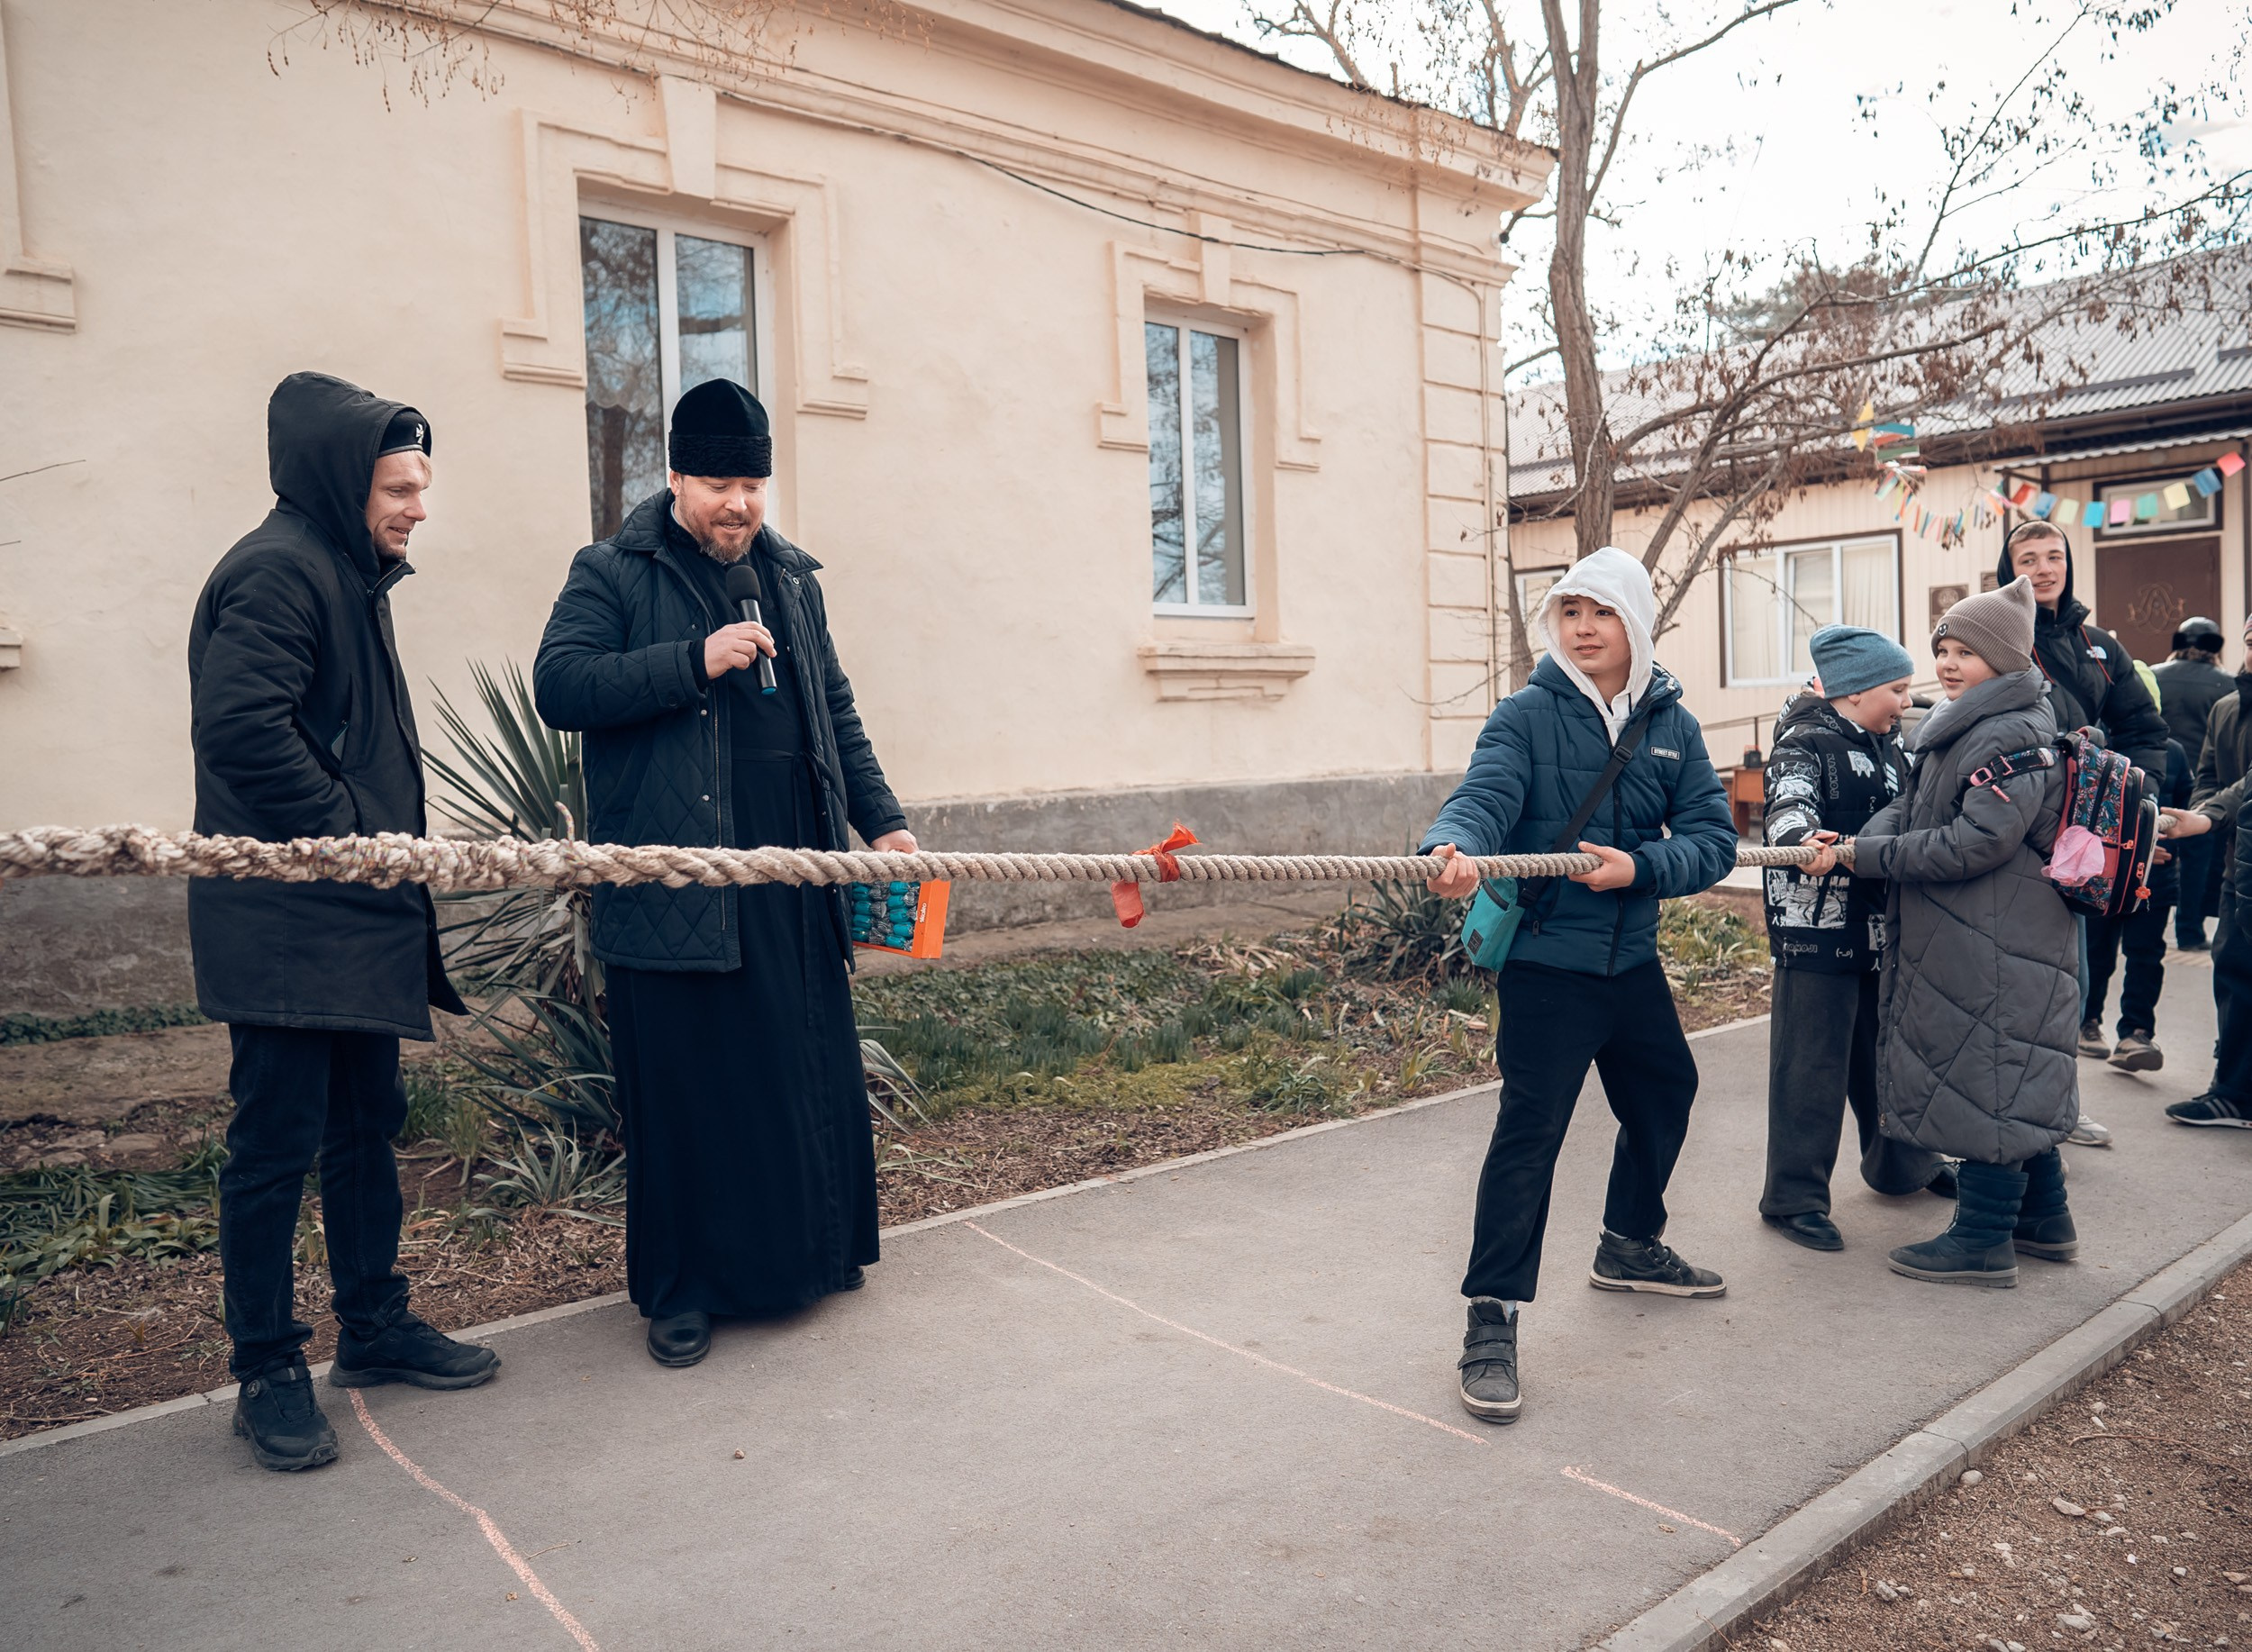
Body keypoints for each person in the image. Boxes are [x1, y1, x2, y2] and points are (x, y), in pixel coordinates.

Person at [533, 378, 914, 1369]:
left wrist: (883, 824)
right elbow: (561, 686)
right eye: (716, 482)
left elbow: (832, 705)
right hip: (681, 877)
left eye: (750, 482)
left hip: (790, 859)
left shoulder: (792, 576)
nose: (736, 503)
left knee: (793, 1064)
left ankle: (812, 1257)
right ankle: (683, 1293)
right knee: (695, 1088)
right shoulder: (612, 570)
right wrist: (690, 661)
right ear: (674, 479)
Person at [188, 372, 498, 1473]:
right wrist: (353, 837)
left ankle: (372, 1324)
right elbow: (242, 733)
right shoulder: (278, 572)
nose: (417, 506)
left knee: (366, 1124)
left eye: (421, 485)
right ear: (340, 481)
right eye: (398, 486)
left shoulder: (343, 571)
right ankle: (268, 1367)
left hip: (353, 917)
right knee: (272, 1147)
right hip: (287, 923)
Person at [1421, 546, 1739, 1423]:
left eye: (1600, 612)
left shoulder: (1672, 723)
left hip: (1628, 960)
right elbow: (1479, 800)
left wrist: (1636, 867)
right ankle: (1491, 1318)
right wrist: (1449, 853)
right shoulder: (1526, 715)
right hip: (1546, 967)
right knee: (1530, 1135)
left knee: (1667, 1091)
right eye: (1570, 612)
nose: (1584, 627)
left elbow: (1712, 839)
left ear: (1633, 622)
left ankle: (1629, 1243)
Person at [1847, 577, 2079, 1286]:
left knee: (1990, 1079)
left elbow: (1976, 841)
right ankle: (2046, 1219)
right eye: (1942, 648)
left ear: (2005, 661)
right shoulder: (1966, 724)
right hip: (1987, 930)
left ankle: (1981, 1241)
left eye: (1966, 652)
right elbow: (1912, 808)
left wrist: (1869, 858)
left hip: (1994, 936)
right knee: (2012, 1071)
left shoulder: (2004, 729)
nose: (1947, 663)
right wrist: (1863, 841)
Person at [1755, 627, 1948, 1252]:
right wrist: (1802, 838)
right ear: (1856, 690)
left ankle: (1902, 1165)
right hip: (1816, 932)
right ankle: (1794, 1197)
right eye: (1897, 688)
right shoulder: (1802, 742)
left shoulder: (1892, 746)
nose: (1906, 701)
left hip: (1880, 928)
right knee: (1810, 1066)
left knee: (1887, 1054)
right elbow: (1786, 805)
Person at [1998, 519, 2166, 1148]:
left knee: (2075, 974)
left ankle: (2060, 1104)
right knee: (2017, 977)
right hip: (2018, 828)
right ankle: (2014, 1111)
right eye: (2028, 558)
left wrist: (2135, 797)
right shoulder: (1996, 635)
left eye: (2054, 556)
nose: (2044, 569)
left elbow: (2146, 730)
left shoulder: (2101, 646)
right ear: (2006, 566)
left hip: (2091, 832)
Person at [2153, 617, 2230, 949]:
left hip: (2161, 776)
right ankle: (2189, 932)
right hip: (2203, 787)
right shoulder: (2226, 684)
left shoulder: (2155, 676)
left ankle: (2147, 923)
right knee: (2197, 862)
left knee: (2155, 851)